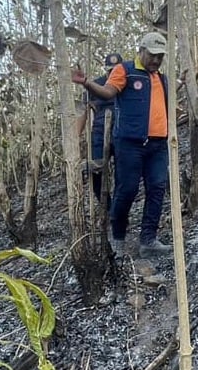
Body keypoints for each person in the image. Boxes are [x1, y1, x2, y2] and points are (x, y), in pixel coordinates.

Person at [72, 32, 173, 257]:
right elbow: (108, 91)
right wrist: (87, 82)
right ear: (141, 51)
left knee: (157, 188)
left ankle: (148, 240)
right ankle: (117, 238)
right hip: (129, 144)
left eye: (160, 57)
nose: (156, 60)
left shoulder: (161, 78)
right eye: (152, 55)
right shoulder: (125, 71)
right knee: (126, 190)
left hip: (158, 145)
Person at [76, 52, 121, 203]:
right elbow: (84, 112)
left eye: (116, 70)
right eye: (110, 71)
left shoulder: (127, 84)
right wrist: (76, 137)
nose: (112, 73)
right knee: (95, 171)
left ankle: (119, 210)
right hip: (99, 134)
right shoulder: (95, 85)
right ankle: (106, 206)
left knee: (124, 173)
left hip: (122, 133)